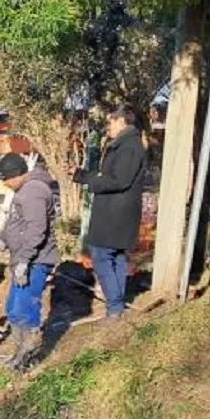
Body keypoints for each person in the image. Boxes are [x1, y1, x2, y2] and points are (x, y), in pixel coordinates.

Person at [74, 105, 147, 322]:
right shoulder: (124, 144)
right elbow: (108, 175)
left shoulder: (129, 146)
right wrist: (82, 175)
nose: (108, 127)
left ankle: (114, 307)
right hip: (114, 211)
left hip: (116, 212)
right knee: (115, 256)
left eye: (110, 122)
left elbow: (118, 179)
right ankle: (116, 304)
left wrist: (92, 181)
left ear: (122, 121)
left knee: (102, 255)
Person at [0, 153, 59, 369]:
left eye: (5, 179)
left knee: (25, 309)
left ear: (15, 175)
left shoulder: (33, 191)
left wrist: (24, 261)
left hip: (34, 261)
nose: (4, 184)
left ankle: (27, 360)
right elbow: (16, 221)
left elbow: (36, 230)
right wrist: (3, 239)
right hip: (23, 260)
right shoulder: (24, 189)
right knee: (14, 307)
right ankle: (18, 354)